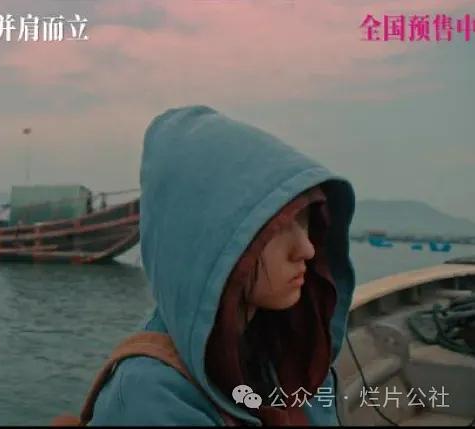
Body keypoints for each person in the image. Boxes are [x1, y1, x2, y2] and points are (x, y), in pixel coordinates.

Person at [87, 105, 356, 425]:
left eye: (305, 220)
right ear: (212, 238)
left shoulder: (285, 349)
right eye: (279, 226)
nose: (307, 249)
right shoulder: (150, 399)